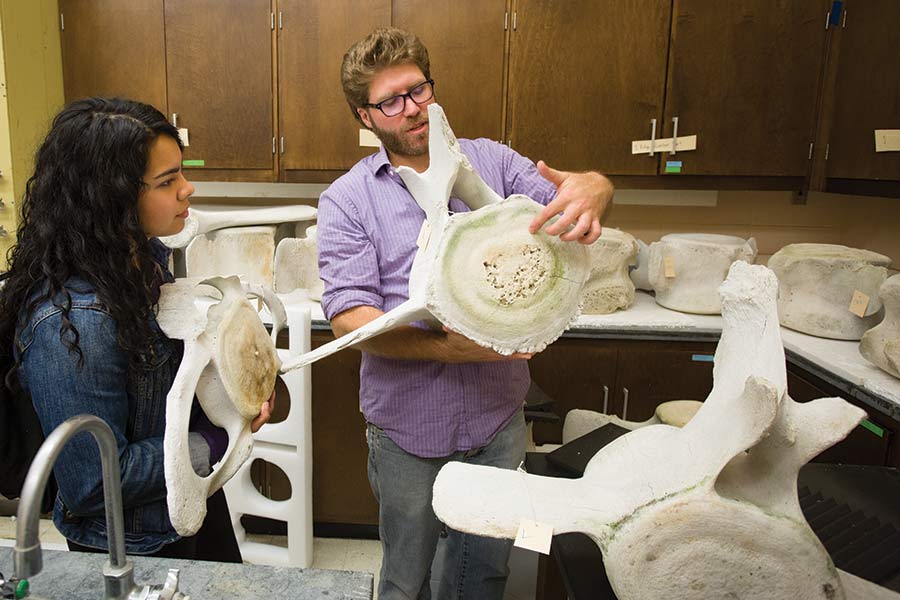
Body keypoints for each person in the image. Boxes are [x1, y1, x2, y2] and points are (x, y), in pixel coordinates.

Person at [317, 27, 614, 599]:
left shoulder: (494, 162)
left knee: (483, 574)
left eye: (419, 90)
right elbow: (349, 320)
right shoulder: (348, 200)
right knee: (406, 578)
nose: (412, 110)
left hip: (496, 421)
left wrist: (595, 189)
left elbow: (570, 198)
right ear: (366, 115)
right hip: (407, 431)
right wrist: (446, 347)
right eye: (390, 101)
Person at [0, 97, 274, 560]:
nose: (188, 189)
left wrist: (229, 396)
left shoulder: (144, 258)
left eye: (181, 172)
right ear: (111, 196)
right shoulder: (73, 323)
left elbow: (157, 394)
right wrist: (217, 438)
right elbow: (93, 481)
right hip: (132, 544)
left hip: (186, 503)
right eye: (168, 181)